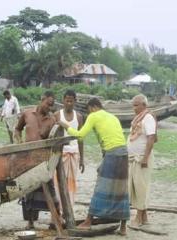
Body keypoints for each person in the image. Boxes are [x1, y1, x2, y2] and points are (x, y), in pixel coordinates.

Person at [59, 97, 130, 236]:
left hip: (113, 154)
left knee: (101, 187)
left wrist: (65, 125)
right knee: (122, 189)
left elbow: (80, 135)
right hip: (123, 153)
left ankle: (88, 220)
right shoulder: (113, 117)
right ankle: (123, 227)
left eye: (88, 110)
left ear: (92, 107)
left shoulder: (93, 115)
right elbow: (113, 138)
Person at [15, 90, 59, 229]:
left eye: (52, 105)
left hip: (44, 160)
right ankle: (30, 222)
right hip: (28, 158)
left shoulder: (52, 119)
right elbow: (17, 129)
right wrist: (19, 142)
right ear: (42, 99)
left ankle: (55, 219)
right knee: (29, 192)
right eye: (48, 104)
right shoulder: (27, 114)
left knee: (50, 191)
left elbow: (54, 139)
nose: (49, 107)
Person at [127, 94, 157, 227]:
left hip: (142, 158)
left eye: (136, 105)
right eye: (133, 105)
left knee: (141, 187)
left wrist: (145, 158)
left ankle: (138, 217)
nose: (134, 108)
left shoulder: (148, 117)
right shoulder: (137, 118)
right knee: (136, 187)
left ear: (144, 105)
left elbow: (151, 138)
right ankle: (144, 217)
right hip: (134, 158)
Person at [53, 90, 85, 209]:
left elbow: (80, 138)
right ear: (63, 100)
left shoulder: (79, 117)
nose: (69, 103)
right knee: (59, 182)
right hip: (61, 153)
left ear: (75, 102)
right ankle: (58, 210)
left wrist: (82, 159)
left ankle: (69, 208)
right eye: (67, 100)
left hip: (74, 153)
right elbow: (53, 135)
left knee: (71, 182)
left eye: (71, 101)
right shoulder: (57, 115)